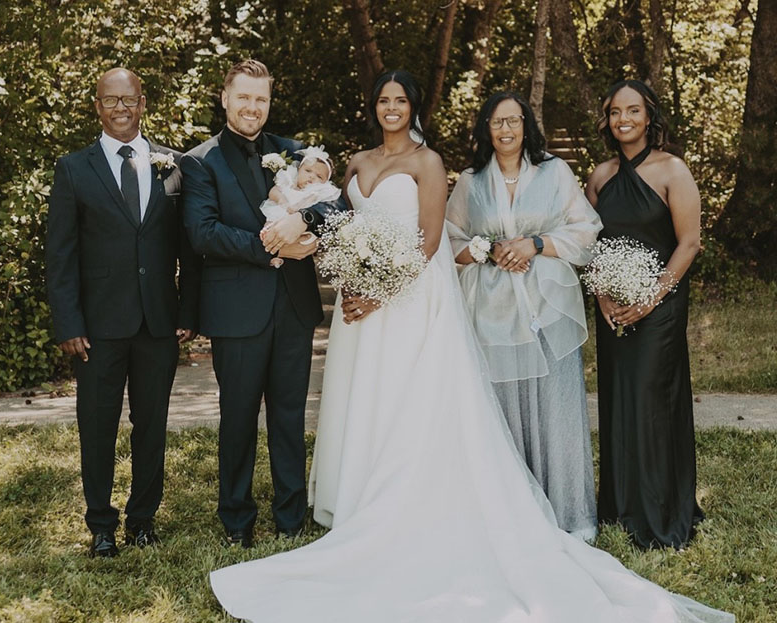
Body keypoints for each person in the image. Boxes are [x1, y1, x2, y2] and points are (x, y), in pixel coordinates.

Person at [207, 70, 732, 623]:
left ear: (415, 108)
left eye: (401, 101)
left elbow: (431, 240)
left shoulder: (443, 164)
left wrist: (388, 288)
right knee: (367, 400)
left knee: (440, 406)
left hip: (420, 301)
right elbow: (339, 219)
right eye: (383, 100)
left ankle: (459, 507)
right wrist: (344, 263)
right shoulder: (364, 164)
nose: (392, 108)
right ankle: (359, 500)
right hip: (365, 303)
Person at [181, 59, 336, 548]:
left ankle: (291, 517)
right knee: (239, 417)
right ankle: (237, 520)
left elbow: (334, 204)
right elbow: (203, 232)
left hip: (292, 307)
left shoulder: (294, 152)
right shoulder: (199, 161)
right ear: (225, 98)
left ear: (270, 102)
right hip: (236, 311)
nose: (253, 107)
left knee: (289, 416)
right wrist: (274, 244)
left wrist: (304, 222)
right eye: (244, 97)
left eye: (261, 99)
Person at [46, 67, 200, 557]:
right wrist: (68, 323)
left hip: (158, 323)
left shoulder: (173, 164)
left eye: (128, 99)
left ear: (143, 101)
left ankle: (143, 519)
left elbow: (188, 247)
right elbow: (60, 255)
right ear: (97, 106)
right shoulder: (73, 168)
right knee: (97, 424)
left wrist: (187, 309)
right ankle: (101, 525)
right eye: (109, 100)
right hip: (96, 328)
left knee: (151, 423)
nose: (119, 108)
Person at [446, 91, 601, 540]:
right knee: (503, 410)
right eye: (497, 122)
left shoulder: (554, 172)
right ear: (485, 129)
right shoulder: (471, 182)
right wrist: (486, 249)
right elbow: (449, 241)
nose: (506, 130)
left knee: (557, 409)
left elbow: (585, 229)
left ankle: (570, 516)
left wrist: (533, 244)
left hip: (547, 307)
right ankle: (513, 515)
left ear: (527, 125)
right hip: (492, 312)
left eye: (513, 121)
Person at [585, 79, 704, 549]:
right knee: (618, 398)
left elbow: (689, 242)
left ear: (649, 117)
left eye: (633, 111)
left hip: (660, 306)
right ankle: (619, 507)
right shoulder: (599, 176)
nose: (624, 120)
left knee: (652, 402)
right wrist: (603, 296)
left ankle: (659, 513)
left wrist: (651, 297)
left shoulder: (672, 170)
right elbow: (588, 243)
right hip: (613, 306)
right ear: (608, 119)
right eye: (616, 112)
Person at [260, 146, 340, 266]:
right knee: (271, 229)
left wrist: (298, 207)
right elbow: (274, 191)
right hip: (280, 213)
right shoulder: (288, 182)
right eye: (308, 171)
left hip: (299, 224)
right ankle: (272, 252)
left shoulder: (315, 192)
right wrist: (282, 200)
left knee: (305, 239)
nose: (312, 176)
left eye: (319, 176)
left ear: (325, 182)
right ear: (299, 170)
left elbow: (310, 204)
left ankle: (281, 253)